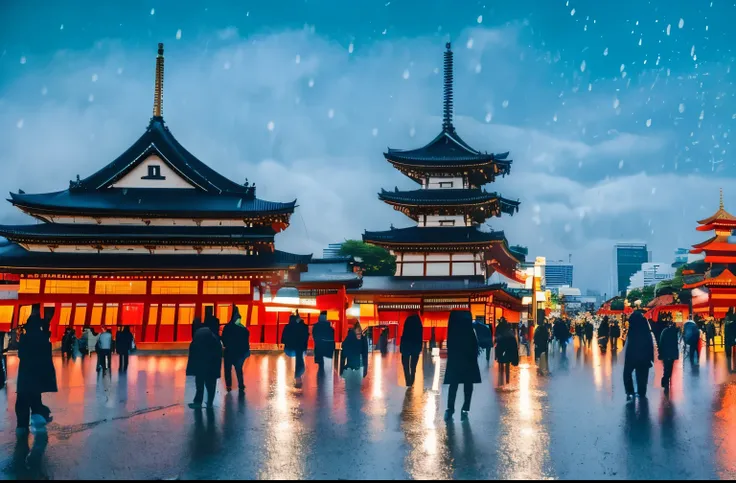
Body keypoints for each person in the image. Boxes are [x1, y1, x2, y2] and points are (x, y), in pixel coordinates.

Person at [16, 304, 56, 432]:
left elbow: (21, 354)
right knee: (35, 398)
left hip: (25, 374)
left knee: (23, 400)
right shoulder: (44, 338)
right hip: (37, 374)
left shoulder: (25, 337)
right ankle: (39, 418)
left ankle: (22, 427)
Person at [443, 311, 481, 421]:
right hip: (468, 360)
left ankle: (450, 408)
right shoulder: (470, 332)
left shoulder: (453, 332)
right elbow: (474, 347)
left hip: (455, 360)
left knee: (453, 385)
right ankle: (465, 408)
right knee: (468, 385)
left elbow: (450, 344)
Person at [186, 322, 222, 409]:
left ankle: (198, 402)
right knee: (211, 386)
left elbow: (192, 357)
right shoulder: (215, 341)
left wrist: (191, 369)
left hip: (200, 368)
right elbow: (218, 356)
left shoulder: (196, 342)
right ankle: (210, 402)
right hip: (211, 368)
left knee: (199, 385)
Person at [623, 311, 654, 401]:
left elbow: (629, 342)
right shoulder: (645, 327)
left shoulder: (632, 328)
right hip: (644, 356)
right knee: (642, 375)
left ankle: (630, 391)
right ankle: (642, 392)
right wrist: (652, 357)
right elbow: (649, 342)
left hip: (631, 355)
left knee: (627, 373)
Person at [220, 305, 250, 393]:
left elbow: (224, 339)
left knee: (228, 369)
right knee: (238, 369)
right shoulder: (243, 329)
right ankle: (241, 384)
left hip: (229, 352)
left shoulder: (227, 328)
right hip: (239, 353)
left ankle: (229, 385)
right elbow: (246, 340)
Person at [282, 314, 309, 380]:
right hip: (299, 349)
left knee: (298, 350)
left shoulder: (287, 327)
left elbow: (283, 339)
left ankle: (298, 375)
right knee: (299, 351)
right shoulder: (303, 327)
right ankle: (298, 375)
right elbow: (305, 335)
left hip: (289, 349)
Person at [400, 314, 423, 386]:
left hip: (406, 347)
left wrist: (401, 348)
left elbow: (404, 336)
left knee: (406, 366)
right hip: (415, 347)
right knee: (413, 367)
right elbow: (420, 337)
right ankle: (411, 382)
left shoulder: (408, 321)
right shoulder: (418, 323)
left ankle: (408, 382)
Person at [658, 319, 679, 392]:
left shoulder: (664, 331)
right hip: (672, 353)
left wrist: (660, 353)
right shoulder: (674, 332)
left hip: (665, 352)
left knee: (666, 367)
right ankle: (667, 380)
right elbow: (676, 344)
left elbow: (661, 342)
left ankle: (665, 381)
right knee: (670, 368)